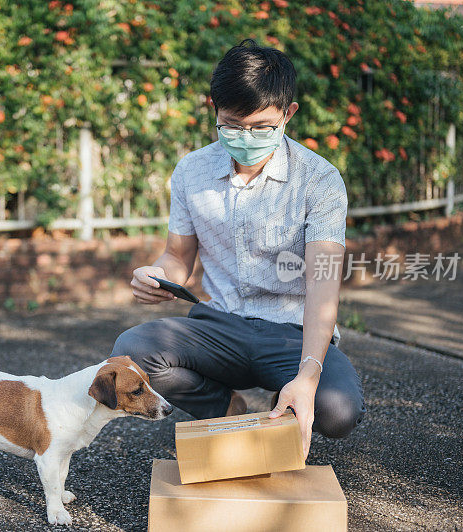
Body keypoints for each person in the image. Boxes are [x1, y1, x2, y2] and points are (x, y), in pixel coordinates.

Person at [111, 39, 366, 459]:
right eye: (232, 124)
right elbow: (177, 257)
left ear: (289, 114)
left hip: (292, 334)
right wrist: (157, 277)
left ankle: (286, 400)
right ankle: (226, 406)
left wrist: (307, 375)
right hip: (220, 325)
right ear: (214, 110)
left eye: (262, 127)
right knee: (132, 350)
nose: (245, 137)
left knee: (337, 410)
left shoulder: (319, 180)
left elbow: (323, 289)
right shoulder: (192, 170)